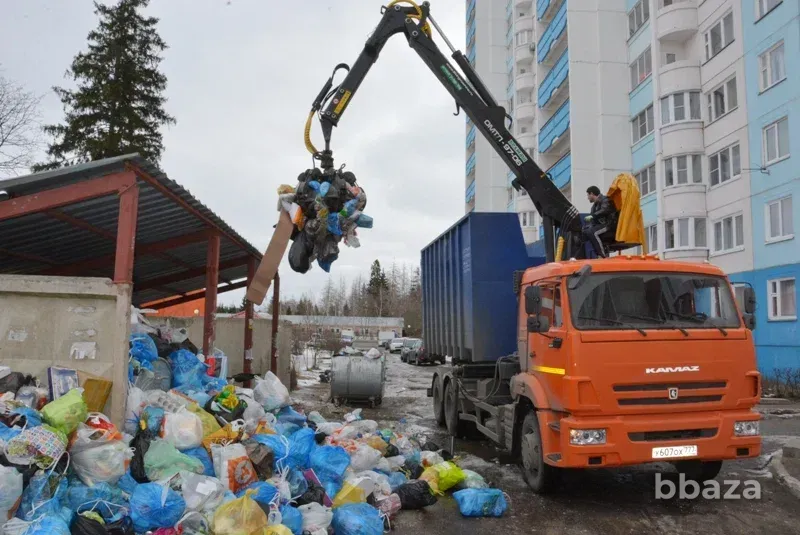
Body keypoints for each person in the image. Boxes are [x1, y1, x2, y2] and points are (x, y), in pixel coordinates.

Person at [582, 185, 618, 258]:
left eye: (588, 195)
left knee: (592, 232)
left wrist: (593, 215)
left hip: (609, 225)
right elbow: (593, 220)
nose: (587, 198)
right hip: (602, 226)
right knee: (585, 232)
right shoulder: (594, 206)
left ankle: (601, 255)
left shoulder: (606, 200)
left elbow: (605, 210)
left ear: (592, 194)